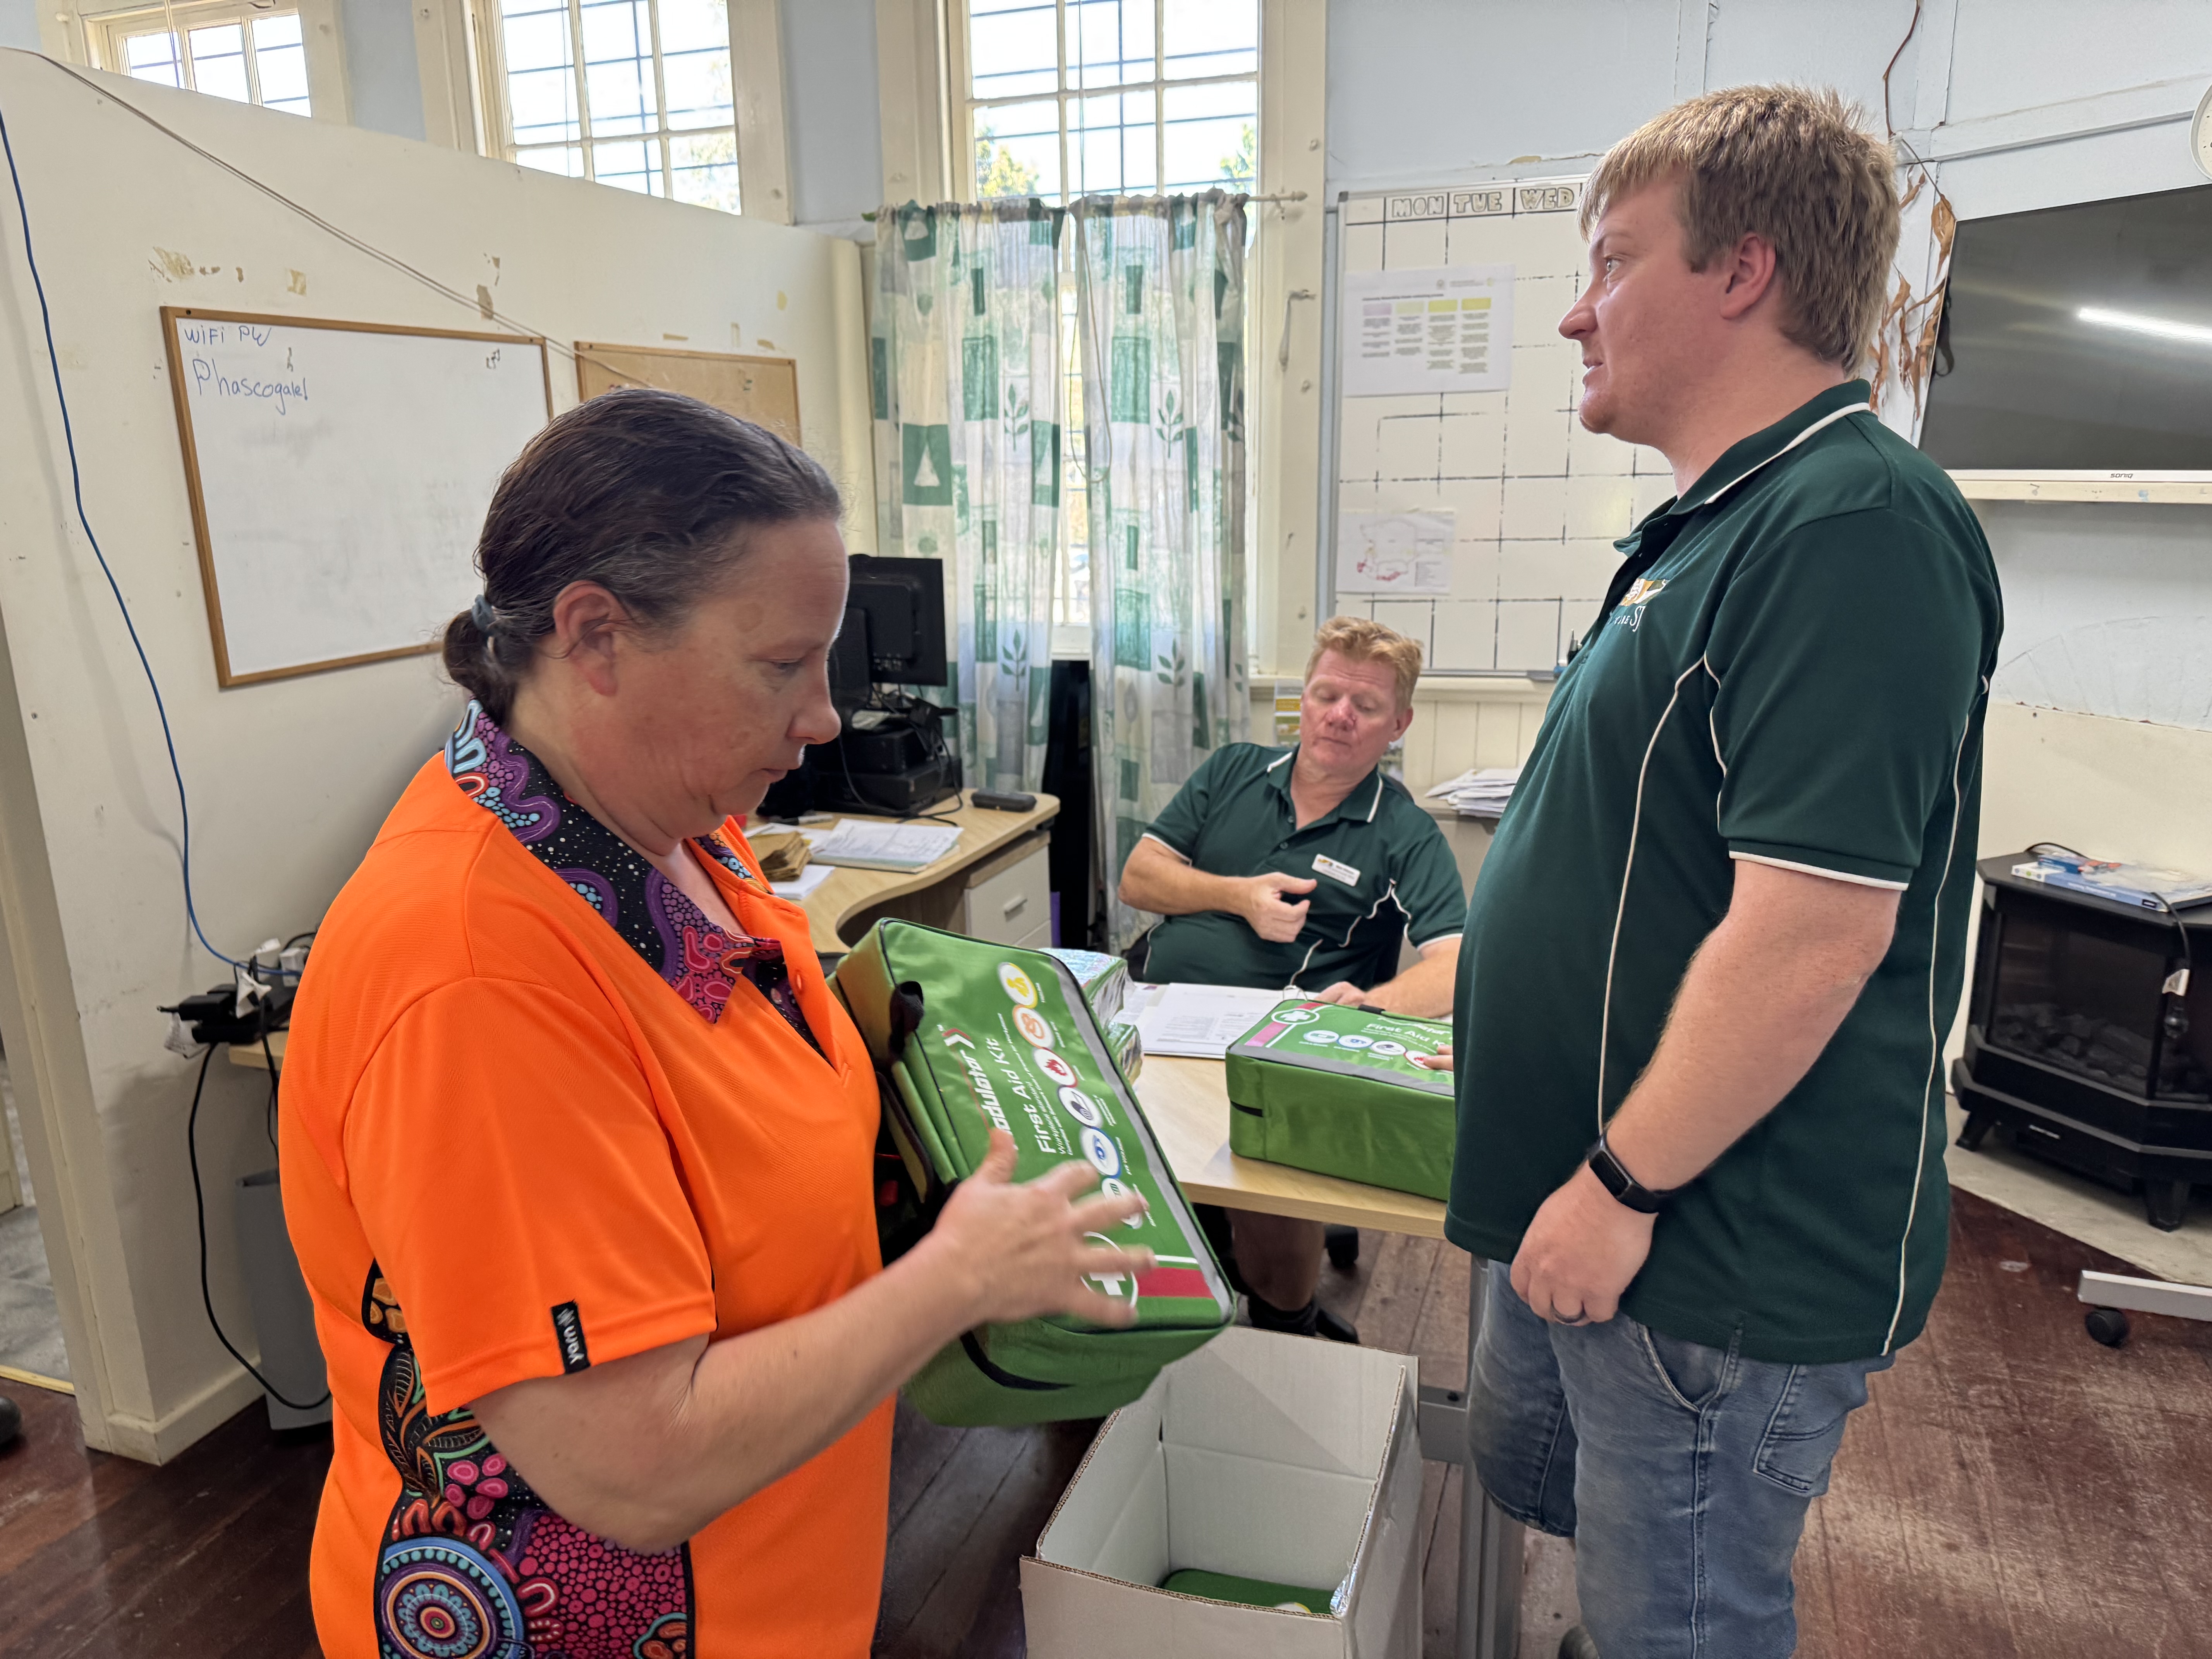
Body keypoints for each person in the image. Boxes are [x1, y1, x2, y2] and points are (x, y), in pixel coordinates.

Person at [280, 389, 1149, 1659]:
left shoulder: (671, 832)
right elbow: (633, 1467)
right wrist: (954, 1277)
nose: (822, 716)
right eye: (780, 665)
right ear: (596, 634)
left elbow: (747, 1071)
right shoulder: (478, 975)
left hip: (771, 1584)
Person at [1435, 86, 2002, 1657]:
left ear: (1741, 271)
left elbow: (1815, 934)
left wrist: (1625, 1183)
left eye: (1613, 260)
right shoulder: (1718, 522)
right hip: (1601, 1203)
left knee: (1684, 1626)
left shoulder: (1853, 523)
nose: (1575, 310)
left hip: (1701, 1243)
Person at [1118, 617, 1466, 1343]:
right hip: (1157, 1014)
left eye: (1365, 707)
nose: (1339, 716)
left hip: (1277, 1035)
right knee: (1105, 1154)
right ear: (1302, 699)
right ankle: (1137, 1323)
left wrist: (1371, 1005)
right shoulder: (1234, 770)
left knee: (1265, 1173)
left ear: (1397, 723)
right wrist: (1236, 895)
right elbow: (1139, 879)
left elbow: (1459, 965)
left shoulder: (1403, 830)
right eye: (1325, 694)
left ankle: (1285, 1320)